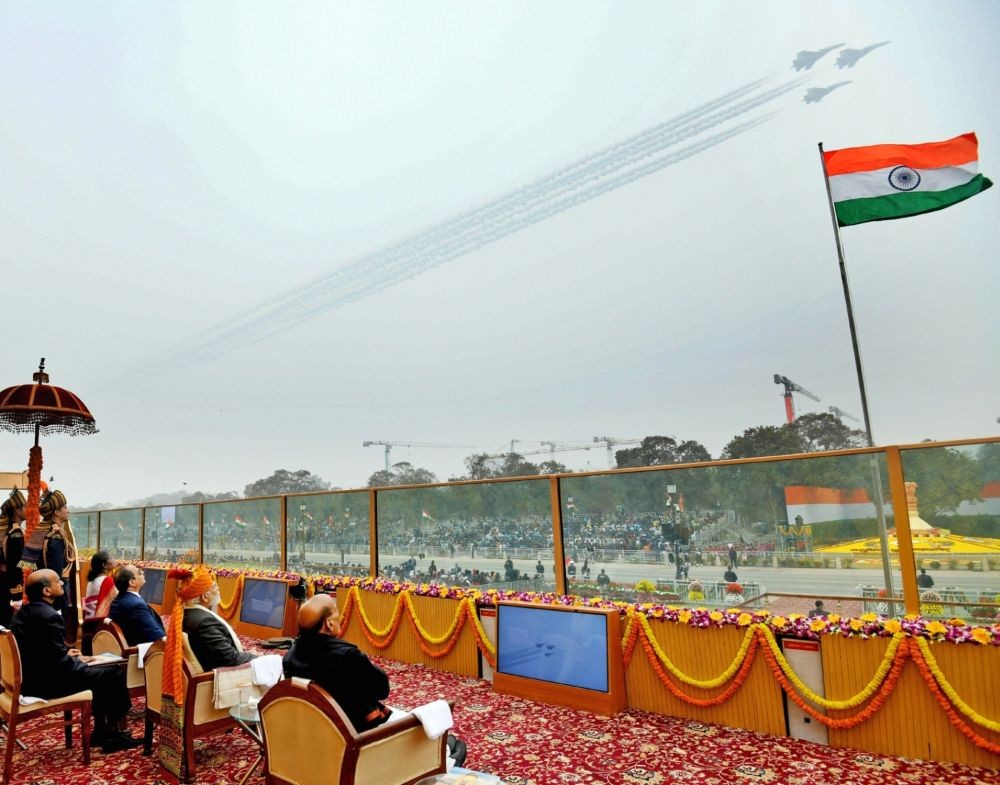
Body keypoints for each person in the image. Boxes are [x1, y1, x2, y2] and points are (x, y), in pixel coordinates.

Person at [282, 594, 468, 765]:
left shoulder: (289, 657)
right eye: (337, 612)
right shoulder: (347, 656)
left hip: (316, 737)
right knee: (452, 746)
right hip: (357, 739)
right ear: (329, 623)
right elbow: (381, 689)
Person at [11, 569, 138, 752]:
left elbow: (41, 649)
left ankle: (102, 732)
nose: (62, 583)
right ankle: (110, 735)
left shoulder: (23, 612)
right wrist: (86, 662)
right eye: (57, 581)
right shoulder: (50, 616)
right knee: (113, 673)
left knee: (101, 674)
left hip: (32, 678)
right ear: (46, 591)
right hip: (47, 684)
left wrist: (66, 653)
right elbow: (61, 666)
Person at [167, 566, 256, 672]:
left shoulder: (186, 614)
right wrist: (257, 657)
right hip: (222, 677)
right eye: (214, 586)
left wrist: (246, 653)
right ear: (205, 597)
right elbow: (230, 658)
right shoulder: (205, 622)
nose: (218, 588)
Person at [109, 565, 166, 645]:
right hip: (144, 650)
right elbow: (155, 635)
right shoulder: (136, 605)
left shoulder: (119, 599)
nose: (143, 572)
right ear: (132, 582)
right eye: (139, 572)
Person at [0, 488, 26, 626]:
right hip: (8, 587)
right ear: (18, 511)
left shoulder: (6, 530)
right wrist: (17, 597)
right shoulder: (15, 533)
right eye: (25, 506)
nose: (28, 508)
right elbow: (16, 566)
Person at [83, 550, 117, 620]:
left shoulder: (91, 581)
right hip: (100, 621)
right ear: (104, 565)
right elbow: (117, 600)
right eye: (111, 558)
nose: (114, 559)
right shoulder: (107, 580)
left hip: (89, 619)